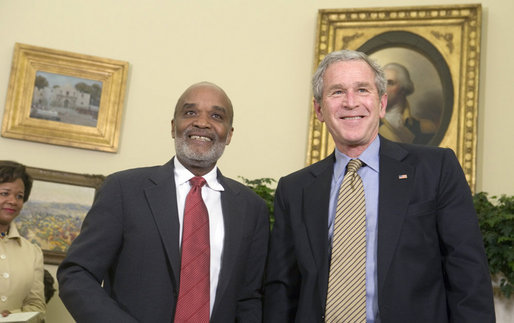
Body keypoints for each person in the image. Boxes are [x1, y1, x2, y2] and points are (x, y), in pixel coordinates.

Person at [263, 50, 495, 322]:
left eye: (362, 89)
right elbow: (282, 290)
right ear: (319, 109)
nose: (351, 103)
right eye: (337, 92)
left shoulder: (436, 168)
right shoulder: (294, 189)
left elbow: (468, 276)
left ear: (382, 104)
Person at [57, 82, 269, 322]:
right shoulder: (123, 190)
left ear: (229, 134)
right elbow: (77, 273)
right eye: (190, 112)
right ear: (173, 127)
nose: (202, 122)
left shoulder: (252, 209)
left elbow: (249, 298)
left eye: (216, 116)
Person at [0, 161, 45, 322]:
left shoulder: (32, 252)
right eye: (5, 193)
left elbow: (36, 305)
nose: (13, 201)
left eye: (19, 196)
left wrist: (14, 316)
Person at [378, 62, 437, 144]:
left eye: (390, 83)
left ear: (403, 89)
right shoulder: (368, 126)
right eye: (382, 83)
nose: (383, 89)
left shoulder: (425, 128)